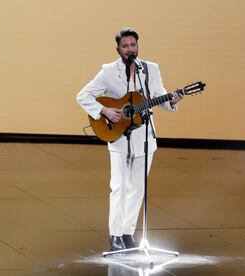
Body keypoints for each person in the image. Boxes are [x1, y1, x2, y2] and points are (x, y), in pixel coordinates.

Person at [77, 27, 183, 251]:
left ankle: (127, 233)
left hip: (144, 137)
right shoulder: (108, 71)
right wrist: (104, 110)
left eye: (133, 45)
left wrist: (173, 100)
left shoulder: (151, 70)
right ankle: (114, 235)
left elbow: (159, 98)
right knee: (119, 187)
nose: (130, 49)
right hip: (117, 136)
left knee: (137, 188)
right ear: (118, 49)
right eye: (125, 46)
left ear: (138, 46)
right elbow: (83, 95)